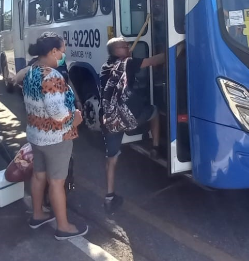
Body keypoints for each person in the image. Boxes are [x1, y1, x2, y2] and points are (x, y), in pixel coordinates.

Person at [21, 32, 87, 239]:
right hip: (56, 137)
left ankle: (38, 214)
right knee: (57, 182)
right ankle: (63, 227)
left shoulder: (32, 71)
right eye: (62, 49)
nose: (64, 53)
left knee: (39, 176)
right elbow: (57, 112)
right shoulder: (52, 76)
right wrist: (74, 120)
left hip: (35, 135)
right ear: (52, 51)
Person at [100, 38, 165, 215]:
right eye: (124, 46)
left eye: (128, 45)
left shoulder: (105, 66)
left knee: (111, 158)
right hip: (128, 119)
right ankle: (156, 147)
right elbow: (156, 60)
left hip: (109, 120)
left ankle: (109, 197)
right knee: (154, 111)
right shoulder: (129, 63)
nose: (128, 48)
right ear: (115, 50)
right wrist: (176, 47)